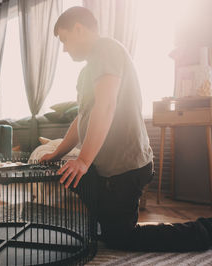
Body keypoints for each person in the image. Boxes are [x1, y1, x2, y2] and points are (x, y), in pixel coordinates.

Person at [41, 6, 212, 252]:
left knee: (120, 238)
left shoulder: (106, 49)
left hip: (127, 169)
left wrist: (84, 160)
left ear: (79, 29)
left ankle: (205, 230)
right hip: (107, 170)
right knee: (72, 179)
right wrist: (57, 154)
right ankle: (107, 218)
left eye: (65, 40)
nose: (65, 49)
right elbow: (82, 119)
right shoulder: (87, 73)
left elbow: (107, 104)